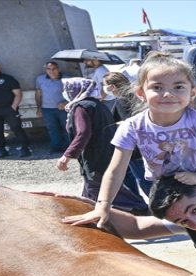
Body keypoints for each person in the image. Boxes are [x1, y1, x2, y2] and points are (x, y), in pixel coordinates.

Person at [63, 56, 196, 230]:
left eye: (178, 86)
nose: (168, 94)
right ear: (140, 93)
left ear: (193, 92)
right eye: (157, 87)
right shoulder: (132, 126)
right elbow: (115, 170)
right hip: (168, 182)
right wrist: (103, 206)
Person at [56, 77, 147, 214]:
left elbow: (83, 132)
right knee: (92, 189)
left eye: (66, 89)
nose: (64, 92)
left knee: (100, 187)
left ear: (74, 90)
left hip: (96, 155)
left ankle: (141, 209)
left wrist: (67, 155)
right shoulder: (96, 104)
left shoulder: (81, 107)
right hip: (105, 152)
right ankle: (86, 213)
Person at [102, 71, 151, 199]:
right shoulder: (135, 95)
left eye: (105, 85)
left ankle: (156, 206)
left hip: (134, 148)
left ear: (112, 86)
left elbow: (129, 122)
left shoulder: (122, 100)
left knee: (143, 179)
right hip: (145, 144)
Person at [35, 60, 70, 153]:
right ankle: (56, 147)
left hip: (64, 109)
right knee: (52, 129)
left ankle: (69, 147)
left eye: (54, 69)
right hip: (47, 109)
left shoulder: (66, 79)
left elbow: (74, 94)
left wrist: (66, 102)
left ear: (58, 69)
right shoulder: (40, 79)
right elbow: (38, 94)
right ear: (45, 70)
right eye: (49, 69)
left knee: (67, 128)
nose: (52, 71)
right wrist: (39, 108)